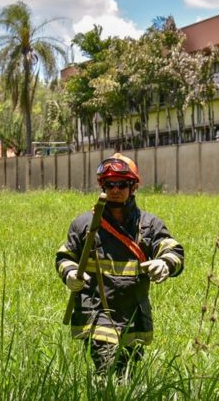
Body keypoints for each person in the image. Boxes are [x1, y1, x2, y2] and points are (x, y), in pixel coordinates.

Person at [56, 153, 184, 377]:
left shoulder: (149, 224)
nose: (115, 190)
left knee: (128, 373)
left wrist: (165, 263)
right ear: (102, 186)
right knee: (107, 368)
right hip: (96, 308)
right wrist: (70, 273)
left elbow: (173, 250)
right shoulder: (84, 224)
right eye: (110, 184)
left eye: (122, 184)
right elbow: (65, 256)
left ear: (133, 186)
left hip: (133, 310)